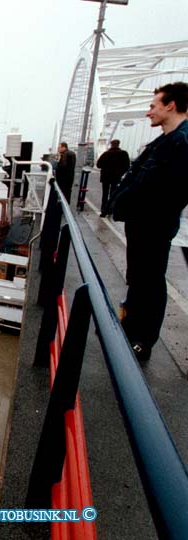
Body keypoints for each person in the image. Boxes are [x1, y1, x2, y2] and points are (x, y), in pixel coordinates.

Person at [109, 81, 188, 361]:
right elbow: (137, 178)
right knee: (140, 278)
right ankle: (131, 329)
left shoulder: (180, 143)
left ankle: (142, 340)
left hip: (154, 224)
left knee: (150, 281)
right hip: (143, 223)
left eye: (153, 106)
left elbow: (163, 189)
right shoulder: (166, 141)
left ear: (171, 105)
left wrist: (124, 201)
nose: (148, 112)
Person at [96, 139, 130, 217]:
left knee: (105, 194)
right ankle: (110, 210)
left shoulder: (106, 154)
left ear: (111, 145)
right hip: (116, 177)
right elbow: (127, 166)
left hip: (105, 177)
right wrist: (121, 173)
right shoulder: (124, 154)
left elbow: (98, 165)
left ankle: (103, 210)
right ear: (118, 144)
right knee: (113, 194)